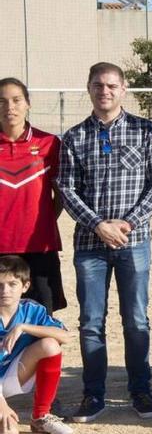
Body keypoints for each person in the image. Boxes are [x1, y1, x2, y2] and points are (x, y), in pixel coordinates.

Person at [57, 62, 152, 422]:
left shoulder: (144, 130)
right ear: (89, 88)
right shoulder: (73, 138)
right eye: (98, 85)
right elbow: (67, 189)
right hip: (90, 246)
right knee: (91, 321)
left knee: (136, 320)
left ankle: (140, 390)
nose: (105, 91)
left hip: (135, 241)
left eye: (112, 85)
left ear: (124, 89)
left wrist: (129, 223)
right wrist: (98, 224)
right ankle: (94, 394)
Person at [0, 78, 67, 314]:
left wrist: (42, 221)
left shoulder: (49, 143)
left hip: (40, 245)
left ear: (28, 103)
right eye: (2, 101)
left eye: (16, 100)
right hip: (2, 247)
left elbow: (61, 194)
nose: (10, 107)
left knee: (41, 317)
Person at [0, 256, 73, 434]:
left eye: (12, 284)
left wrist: (23, 327)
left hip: (9, 375)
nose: (5, 291)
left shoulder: (32, 310)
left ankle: (41, 417)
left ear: (25, 286)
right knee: (9, 430)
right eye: (0, 285)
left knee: (50, 345)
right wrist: (2, 406)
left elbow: (65, 337)